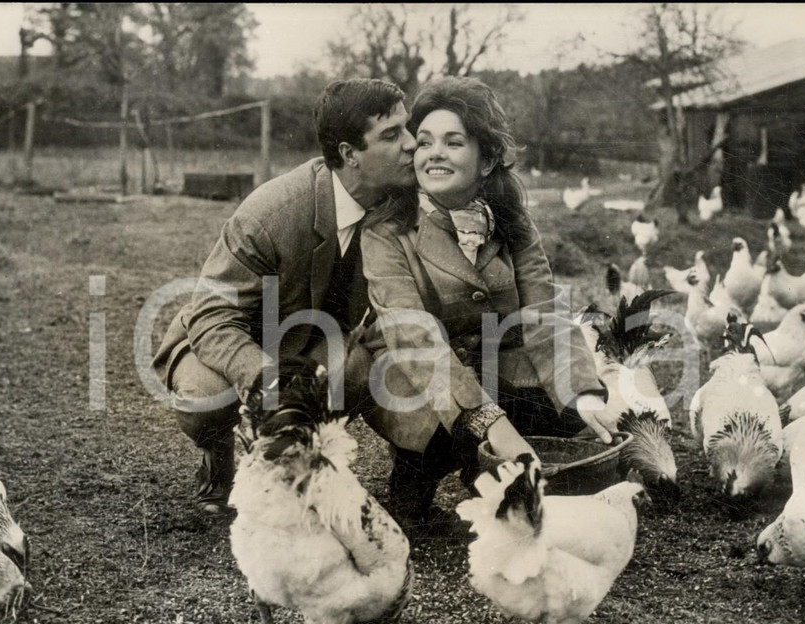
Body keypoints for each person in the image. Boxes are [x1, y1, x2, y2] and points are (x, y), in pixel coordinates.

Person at [360, 76, 616, 532]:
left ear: (488, 159)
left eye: (453, 142)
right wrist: (492, 423)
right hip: (415, 367)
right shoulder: (387, 229)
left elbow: (545, 313)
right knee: (437, 414)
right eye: (424, 142)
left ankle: (492, 473)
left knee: (569, 412)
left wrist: (584, 393)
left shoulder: (511, 222)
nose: (434, 154)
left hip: (494, 365)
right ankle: (412, 491)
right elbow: (414, 337)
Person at [152, 79, 417, 515]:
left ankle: (306, 460)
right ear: (350, 154)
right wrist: (262, 378)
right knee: (206, 398)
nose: (411, 144)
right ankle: (219, 457)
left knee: (357, 368)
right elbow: (213, 314)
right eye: (391, 135)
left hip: (311, 342)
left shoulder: (401, 201)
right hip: (232, 342)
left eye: (407, 128)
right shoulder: (272, 212)